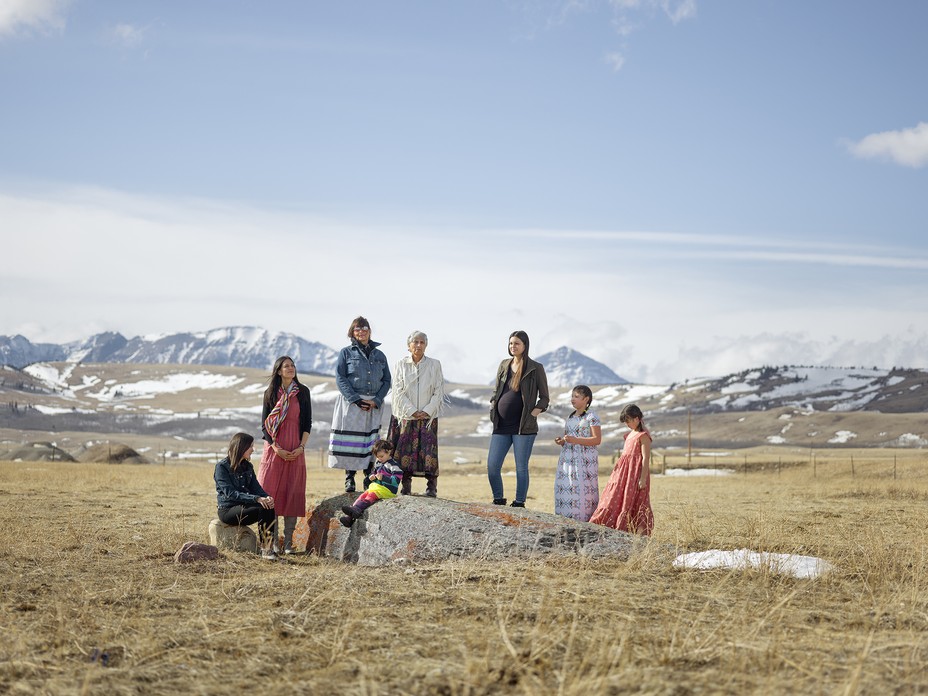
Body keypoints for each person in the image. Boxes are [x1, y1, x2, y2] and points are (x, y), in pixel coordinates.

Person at [486, 330, 549, 508]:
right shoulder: (504, 365)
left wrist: (534, 412)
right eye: (511, 343)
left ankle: (519, 502)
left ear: (525, 346)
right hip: (501, 425)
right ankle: (498, 499)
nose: (513, 346)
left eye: (517, 343)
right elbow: (496, 390)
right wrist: (493, 404)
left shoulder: (535, 368)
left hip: (523, 427)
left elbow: (544, 397)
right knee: (492, 466)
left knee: (521, 467)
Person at [328, 316, 392, 493]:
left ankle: (368, 477)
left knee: (370, 441)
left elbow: (387, 380)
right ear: (352, 332)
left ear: (370, 331)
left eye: (365, 328)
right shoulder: (346, 353)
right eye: (357, 329)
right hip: (353, 402)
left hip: (374, 403)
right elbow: (340, 378)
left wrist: (377, 400)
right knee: (352, 441)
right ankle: (350, 478)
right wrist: (355, 399)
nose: (361, 331)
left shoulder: (380, 355)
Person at [257, 356, 312, 554]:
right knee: (271, 492)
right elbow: (265, 426)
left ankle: (288, 544)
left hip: (295, 448)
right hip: (274, 448)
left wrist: (301, 447)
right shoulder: (270, 393)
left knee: (292, 492)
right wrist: (275, 447)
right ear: (279, 371)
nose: (291, 368)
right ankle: (273, 543)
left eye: (292, 365)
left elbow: (307, 424)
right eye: (286, 366)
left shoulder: (303, 392)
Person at [387, 330, 446, 497]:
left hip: (428, 417)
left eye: (422, 342)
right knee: (403, 450)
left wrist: (426, 410)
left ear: (426, 345)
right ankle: (405, 486)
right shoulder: (400, 364)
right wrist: (412, 411)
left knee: (429, 451)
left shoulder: (435, 364)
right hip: (406, 416)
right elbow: (397, 390)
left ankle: (431, 487)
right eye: (415, 342)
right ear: (408, 346)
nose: (418, 345)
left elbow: (438, 390)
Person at [589, 404, 654, 535]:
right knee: (614, 496)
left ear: (636, 419)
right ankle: (606, 524)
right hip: (623, 473)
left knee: (631, 500)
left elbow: (646, 458)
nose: (627, 424)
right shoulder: (629, 435)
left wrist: (642, 479)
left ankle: (630, 530)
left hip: (635, 474)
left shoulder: (643, 436)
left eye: (628, 421)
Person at [214, 432, 278, 560]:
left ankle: (267, 549)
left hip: (244, 507)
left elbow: (256, 488)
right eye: (250, 446)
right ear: (241, 447)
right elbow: (230, 494)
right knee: (261, 506)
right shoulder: (222, 467)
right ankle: (266, 550)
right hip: (228, 511)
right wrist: (256, 499)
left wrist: (266, 497)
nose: (253, 450)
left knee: (268, 506)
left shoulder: (248, 466)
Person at [554, 385, 602, 522]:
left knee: (582, 489)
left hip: (585, 460)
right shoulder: (570, 416)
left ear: (586, 399)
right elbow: (567, 438)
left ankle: (584, 519)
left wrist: (576, 440)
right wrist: (562, 441)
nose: (572, 399)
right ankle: (565, 518)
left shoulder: (592, 416)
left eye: (576, 396)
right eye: (572, 396)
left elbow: (597, 439)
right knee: (568, 486)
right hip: (567, 459)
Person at [339, 439, 403, 527]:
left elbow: (397, 480)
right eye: (378, 457)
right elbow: (375, 472)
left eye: (381, 456)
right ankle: (349, 517)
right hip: (378, 487)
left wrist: (384, 478)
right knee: (363, 495)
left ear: (389, 452)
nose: (380, 459)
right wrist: (372, 476)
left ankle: (357, 509)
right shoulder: (378, 463)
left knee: (371, 494)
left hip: (388, 490)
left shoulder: (394, 465)